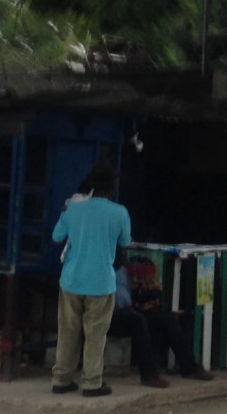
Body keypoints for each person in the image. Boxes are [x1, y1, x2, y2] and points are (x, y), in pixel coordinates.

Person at [50, 159, 131, 397]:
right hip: (101, 282)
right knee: (96, 334)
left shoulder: (71, 208)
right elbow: (125, 241)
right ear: (112, 187)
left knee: (68, 331)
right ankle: (92, 382)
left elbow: (56, 236)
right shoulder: (120, 212)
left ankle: (61, 379)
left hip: (71, 280)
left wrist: (66, 213)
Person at [108, 251, 214, 388]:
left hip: (129, 309)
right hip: (108, 313)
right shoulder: (102, 269)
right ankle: (148, 375)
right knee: (138, 321)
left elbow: (131, 295)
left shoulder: (122, 269)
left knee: (168, 319)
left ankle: (189, 367)